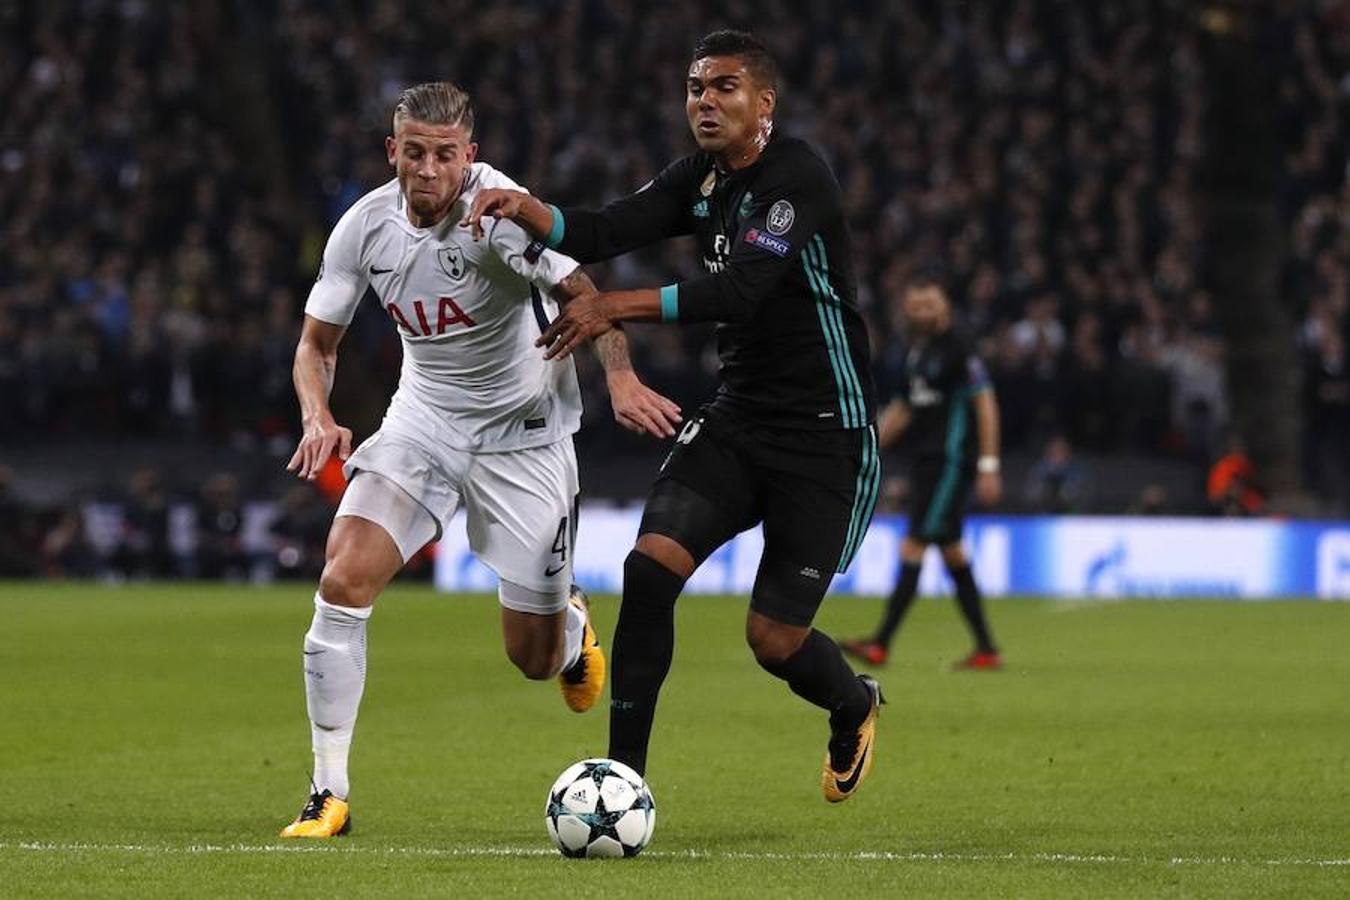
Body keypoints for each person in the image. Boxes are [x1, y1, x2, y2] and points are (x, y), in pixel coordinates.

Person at [467, 30, 884, 803]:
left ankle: (853, 703)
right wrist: (527, 209)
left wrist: (610, 306)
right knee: (647, 569)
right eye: (695, 88)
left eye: (724, 87)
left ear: (765, 102)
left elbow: (743, 290)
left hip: (826, 435)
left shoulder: (797, 178)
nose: (704, 101)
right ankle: (624, 780)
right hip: (739, 417)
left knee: (774, 641)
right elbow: (603, 231)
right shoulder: (699, 181)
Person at [279, 82, 681, 838]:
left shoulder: (502, 215)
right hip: (422, 423)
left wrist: (620, 376)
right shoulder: (363, 227)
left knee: (529, 659)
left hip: (524, 438)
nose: (429, 171)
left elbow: (584, 294)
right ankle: (327, 793)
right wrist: (318, 414)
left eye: (445, 156)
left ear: (470, 155)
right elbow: (316, 345)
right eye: (415, 154)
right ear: (392, 152)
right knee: (343, 577)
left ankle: (567, 631)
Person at [839, 280, 1004, 671]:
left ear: (944, 306)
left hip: (949, 462)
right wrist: (867, 445)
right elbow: (905, 410)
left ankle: (880, 644)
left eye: (929, 304)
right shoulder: (916, 353)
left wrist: (989, 465)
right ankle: (986, 649)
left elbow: (985, 405)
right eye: (915, 306)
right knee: (952, 551)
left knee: (913, 545)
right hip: (926, 462)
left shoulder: (961, 350)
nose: (921, 312)